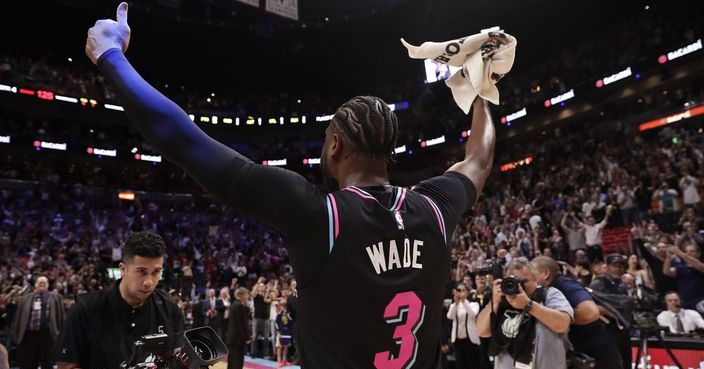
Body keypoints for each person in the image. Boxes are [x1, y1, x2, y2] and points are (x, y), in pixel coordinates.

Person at [85, 5, 498, 368]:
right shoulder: (436, 208)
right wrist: (481, 88)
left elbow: (182, 138)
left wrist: (110, 56)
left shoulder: (321, 215)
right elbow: (479, 159)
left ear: (335, 144)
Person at [55, 232, 185, 369]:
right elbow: (66, 366)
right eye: (141, 271)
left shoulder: (169, 306)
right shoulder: (85, 310)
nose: (149, 282)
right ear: (123, 269)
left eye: (156, 272)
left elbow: (177, 354)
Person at [476, 258, 573, 369]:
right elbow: (482, 332)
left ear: (535, 280)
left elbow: (562, 324)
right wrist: (494, 301)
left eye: (524, 281)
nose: (520, 286)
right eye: (514, 281)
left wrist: (528, 305)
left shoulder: (549, 294)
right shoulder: (501, 302)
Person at [532, 256, 623, 369]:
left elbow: (590, 312)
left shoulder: (563, 284)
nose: (530, 278)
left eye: (532, 274)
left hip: (598, 357)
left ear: (545, 273)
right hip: (586, 355)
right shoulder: (549, 288)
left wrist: (559, 319)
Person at [589, 253, 631, 369]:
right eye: (615, 266)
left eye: (621, 266)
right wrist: (612, 312)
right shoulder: (598, 283)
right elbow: (590, 306)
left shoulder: (622, 286)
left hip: (622, 333)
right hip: (606, 332)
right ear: (607, 267)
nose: (618, 269)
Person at [11, 276, 64, 369]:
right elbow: (17, 317)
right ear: (35, 285)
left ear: (48, 285)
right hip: (29, 336)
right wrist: (15, 334)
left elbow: (61, 317)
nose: (42, 284)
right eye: (39, 282)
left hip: (48, 336)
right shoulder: (25, 298)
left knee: (47, 363)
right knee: (28, 363)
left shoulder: (56, 298)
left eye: (44, 282)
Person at [446, 283, 482, 369]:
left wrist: (463, 301)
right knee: (460, 365)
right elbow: (450, 316)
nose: (461, 293)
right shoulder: (454, 305)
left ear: (467, 293)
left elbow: (472, 314)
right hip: (457, 340)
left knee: (472, 364)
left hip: (470, 340)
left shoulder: (473, 304)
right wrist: (456, 303)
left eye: (463, 290)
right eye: (459, 290)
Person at [226, 287, 251, 369]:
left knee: (231, 361)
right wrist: (247, 338)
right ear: (241, 295)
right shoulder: (239, 306)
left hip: (232, 338)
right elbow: (242, 324)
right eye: (247, 294)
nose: (248, 296)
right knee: (237, 362)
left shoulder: (234, 304)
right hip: (237, 339)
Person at [275, 300, 294, 368]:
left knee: (286, 347)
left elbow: (291, 322)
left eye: (284, 305)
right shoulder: (279, 314)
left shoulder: (289, 313)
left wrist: (288, 315)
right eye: (282, 305)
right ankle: (279, 361)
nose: (283, 306)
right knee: (279, 347)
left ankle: (284, 360)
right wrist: (278, 330)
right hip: (281, 332)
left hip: (287, 332)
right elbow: (276, 323)